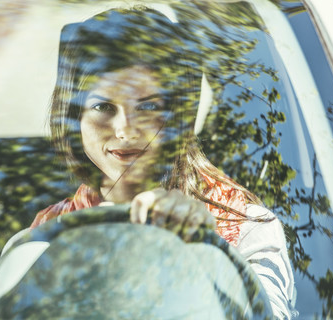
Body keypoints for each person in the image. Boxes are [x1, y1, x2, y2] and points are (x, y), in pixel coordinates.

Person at [16, 6, 295, 319]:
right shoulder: (42, 236)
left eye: (148, 106)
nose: (125, 130)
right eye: (104, 106)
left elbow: (268, 313)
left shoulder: (247, 227)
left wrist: (204, 249)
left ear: (177, 118)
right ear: (74, 118)